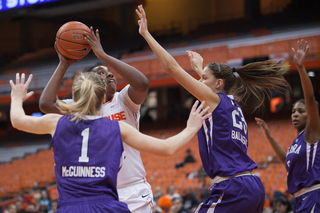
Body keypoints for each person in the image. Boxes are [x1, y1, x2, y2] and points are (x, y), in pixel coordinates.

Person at [136, 5, 290, 212]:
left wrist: (146, 34)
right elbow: (213, 86)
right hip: (251, 186)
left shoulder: (215, 100)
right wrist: (202, 71)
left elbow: (171, 68)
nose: (199, 81)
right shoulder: (232, 103)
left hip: (233, 188)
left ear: (218, 84)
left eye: (203, 78)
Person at [10, 72, 210, 213]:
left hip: (70, 206)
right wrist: (192, 127)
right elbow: (168, 148)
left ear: (75, 97)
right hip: (106, 205)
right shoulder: (117, 127)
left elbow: (17, 121)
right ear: (103, 98)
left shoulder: (56, 122)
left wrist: (17, 97)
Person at [39, 26, 152, 212]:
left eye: (109, 72)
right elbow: (46, 105)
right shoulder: (79, 106)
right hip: (97, 194)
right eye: (101, 72)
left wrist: (104, 56)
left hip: (132, 190)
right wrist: (64, 64)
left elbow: (142, 84)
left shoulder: (123, 100)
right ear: (91, 82)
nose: (109, 74)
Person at [256, 40, 320, 212]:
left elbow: (311, 100)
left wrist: (300, 67)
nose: (295, 114)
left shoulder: (312, 132)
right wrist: (269, 136)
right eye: (293, 111)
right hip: (300, 200)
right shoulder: (297, 141)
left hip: (314, 196)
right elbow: (287, 161)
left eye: (301, 111)